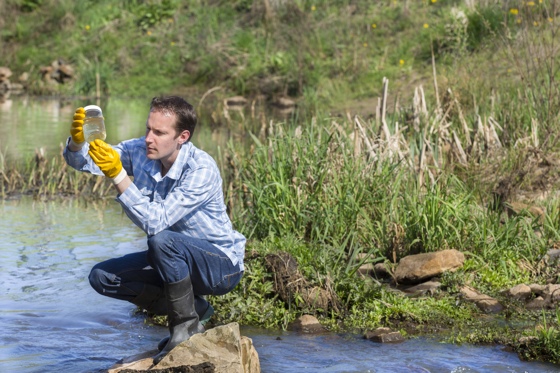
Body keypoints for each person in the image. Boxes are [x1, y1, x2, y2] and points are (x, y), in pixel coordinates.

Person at [63, 96, 246, 364]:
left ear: (182, 136)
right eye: (149, 128)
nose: (149, 138)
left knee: (161, 240)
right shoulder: (142, 150)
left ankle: (185, 328)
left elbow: (155, 222)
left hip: (220, 267)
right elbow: (82, 162)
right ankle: (196, 309)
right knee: (102, 276)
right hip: (172, 257)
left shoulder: (201, 169)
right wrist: (78, 143)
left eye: (159, 133)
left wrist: (118, 176)